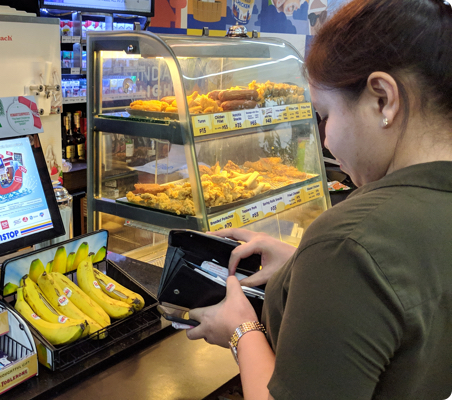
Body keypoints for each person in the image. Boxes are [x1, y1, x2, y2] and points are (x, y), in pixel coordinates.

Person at [185, 0, 452, 398]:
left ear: (383, 98)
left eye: (325, 114)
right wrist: (300, 269)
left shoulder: (349, 242)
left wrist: (242, 330)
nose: (324, 138)